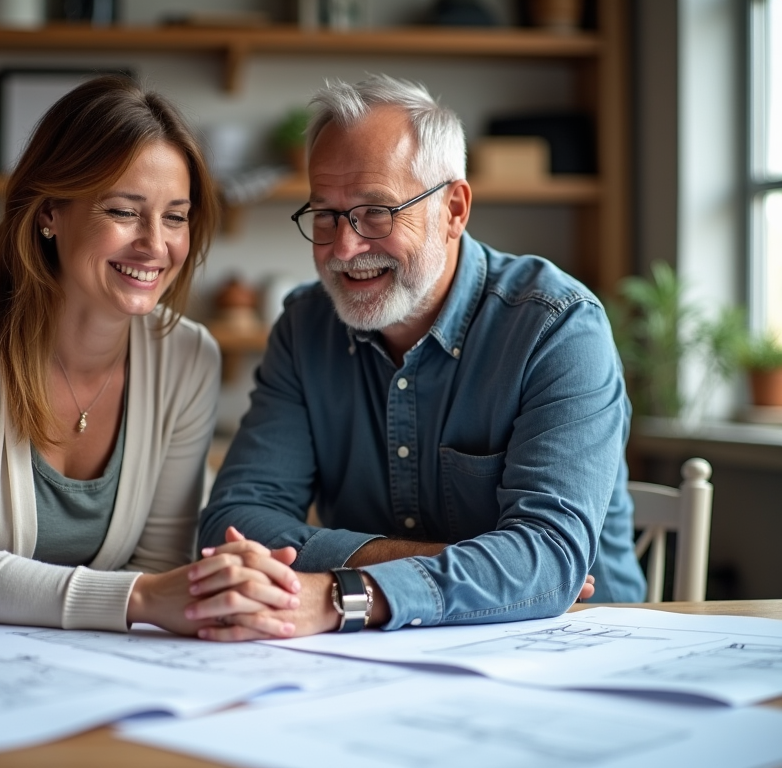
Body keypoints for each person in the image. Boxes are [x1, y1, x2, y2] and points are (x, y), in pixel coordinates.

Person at [0, 75, 300, 639]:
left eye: (175, 216)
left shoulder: (188, 358)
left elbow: (158, 562)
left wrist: (206, 591)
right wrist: (143, 596)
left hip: (30, 656)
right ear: (49, 212)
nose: (156, 245)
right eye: (123, 210)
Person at [198, 73, 646, 640]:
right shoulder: (306, 326)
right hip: (385, 651)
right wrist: (466, 563)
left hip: (574, 647)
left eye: (377, 212)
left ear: (454, 209)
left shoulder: (555, 326)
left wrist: (345, 592)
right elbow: (234, 523)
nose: (344, 248)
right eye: (326, 215)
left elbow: (549, 565)